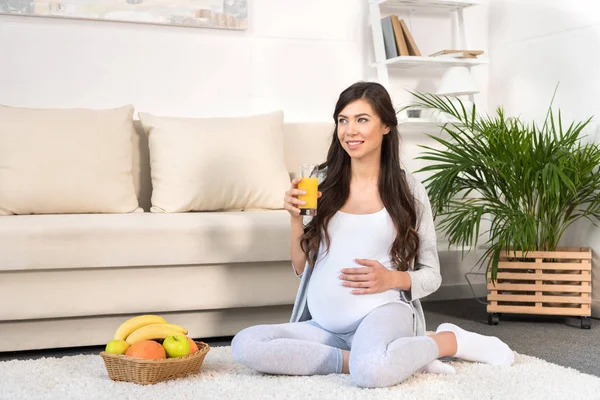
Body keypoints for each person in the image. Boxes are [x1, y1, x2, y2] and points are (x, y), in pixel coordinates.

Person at [231, 81, 515, 388]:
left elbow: (432, 275)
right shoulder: (320, 183)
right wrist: (295, 221)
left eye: (362, 119)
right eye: (343, 120)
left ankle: (447, 341)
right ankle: (379, 357)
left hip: (383, 312)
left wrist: (392, 279)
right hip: (326, 326)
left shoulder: (409, 191)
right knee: (246, 344)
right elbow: (302, 270)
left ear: (386, 127)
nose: (349, 130)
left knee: (371, 375)